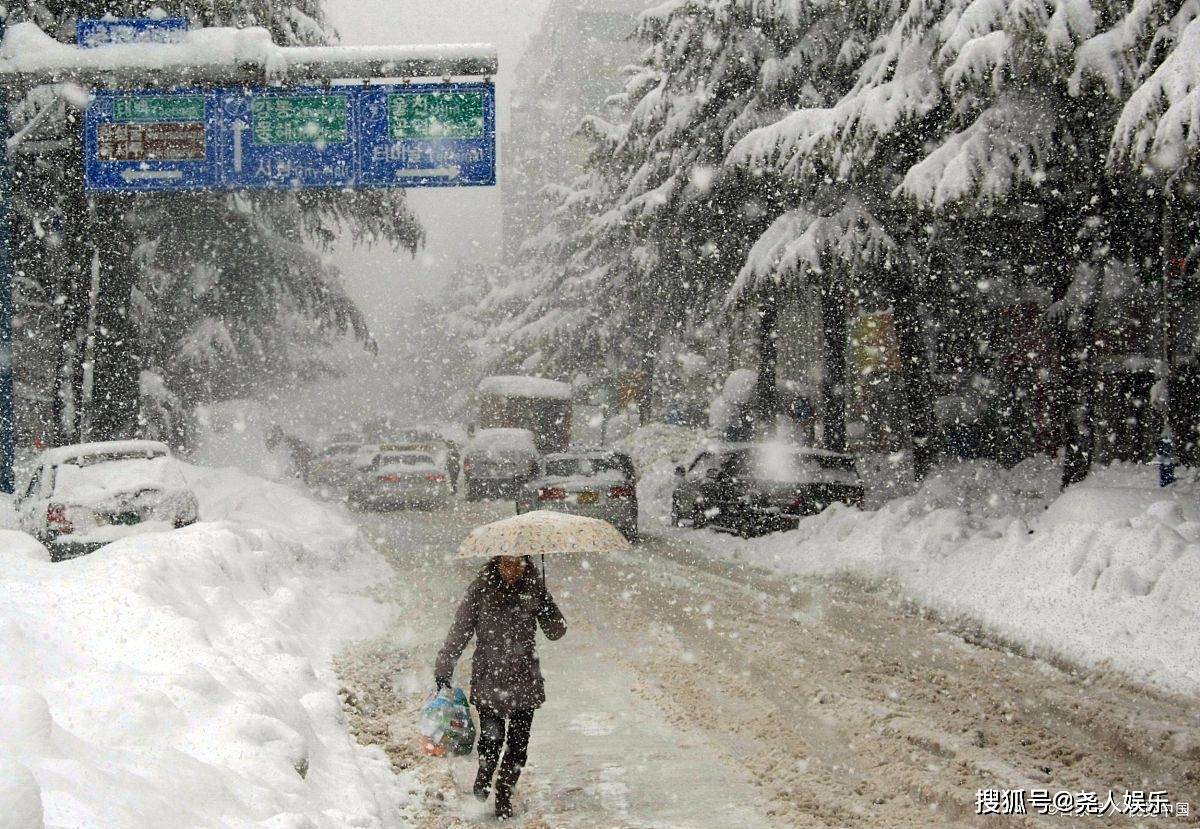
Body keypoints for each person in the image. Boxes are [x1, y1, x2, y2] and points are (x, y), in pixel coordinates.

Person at [435, 555, 567, 820]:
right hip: (490, 677)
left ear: (526, 564)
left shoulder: (534, 589)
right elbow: (460, 630)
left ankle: (504, 791)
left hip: (523, 678)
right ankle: (484, 772)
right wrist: (444, 666)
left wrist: (547, 607)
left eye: (518, 564)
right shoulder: (480, 589)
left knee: (519, 745)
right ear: (495, 563)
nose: (512, 570)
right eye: (506, 563)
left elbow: (556, 631)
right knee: (491, 739)